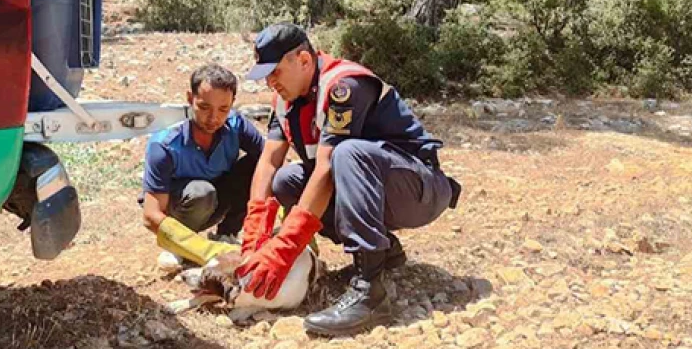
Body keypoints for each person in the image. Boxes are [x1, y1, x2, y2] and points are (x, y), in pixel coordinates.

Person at [236, 23, 461, 336]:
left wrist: (287, 245)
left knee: (348, 154)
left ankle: (371, 294)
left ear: (303, 60)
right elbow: (269, 160)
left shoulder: (344, 86)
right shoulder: (285, 101)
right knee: (286, 181)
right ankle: (385, 254)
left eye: (275, 72)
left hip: (417, 189)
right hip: (376, 186)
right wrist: (254, 232)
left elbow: (327, 169)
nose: (270, 82)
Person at [141, 63, 266, 267]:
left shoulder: (236, 126)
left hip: (218, 199)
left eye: (223, 109)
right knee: (201, 192)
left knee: (261, 165)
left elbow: (271, 162)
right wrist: (201, 249)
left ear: (233, 103)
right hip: (183, 207)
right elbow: (150, 215)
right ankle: (179, 246)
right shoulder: (165, 144)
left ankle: (227, 234)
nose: (214, 118)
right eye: (204, 107)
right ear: (190, 99)